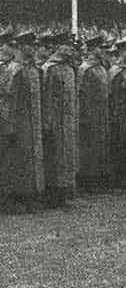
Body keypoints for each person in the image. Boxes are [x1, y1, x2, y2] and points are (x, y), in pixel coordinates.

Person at [0, 35, 44, 213]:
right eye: (29, 45)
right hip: (17, 123)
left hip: (32, 122)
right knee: (15, 162)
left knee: (30, 160)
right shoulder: (14, 70)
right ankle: (12, 198)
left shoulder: (33, 69)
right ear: (21, 47)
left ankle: (28, 195)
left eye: (34, 45)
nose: (33, 48)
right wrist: (8, 125)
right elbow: (7, 99)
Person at [41, 36, 78, 207]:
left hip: (68, 118)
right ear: (58, 47)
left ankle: (65, 190)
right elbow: (46, 95)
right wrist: (48, 120)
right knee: (55, 156)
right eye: (66, 46)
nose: (70, 50)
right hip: (55, 118)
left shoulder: (70, 68)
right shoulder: (50, 68)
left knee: (67, 156)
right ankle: (53, 193)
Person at [77, 36, 111, 191]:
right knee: (88, 145)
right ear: (92, 50)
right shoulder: (85, 69)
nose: (102, 51)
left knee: (100, 144)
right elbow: (81, 93)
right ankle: (87, 179)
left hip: (101, 112)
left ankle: (99, 176)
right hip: (89, 112)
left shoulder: (102, 68)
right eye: (99, 48)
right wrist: (83, 114)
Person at [108, 38, 126, 188]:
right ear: (122, 52)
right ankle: (119, 176)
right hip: (118, 111)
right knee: (119, 143)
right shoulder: (115, 71)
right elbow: (111, 94)